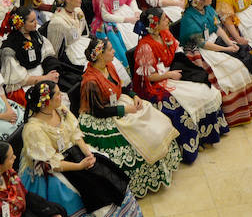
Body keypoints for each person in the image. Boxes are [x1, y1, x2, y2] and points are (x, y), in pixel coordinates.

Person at [18, 80, 141, 217]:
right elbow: (50, 163)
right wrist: (80, 166)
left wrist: (88, 154)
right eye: (57, 94)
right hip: (53, 169)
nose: (61, 96)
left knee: (105, 167)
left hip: (75, 153)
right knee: (81, 190)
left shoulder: (61, 111)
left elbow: (75, 134)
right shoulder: (33, 129)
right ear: (46, 101)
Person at [78, 33, 182, 197]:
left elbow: (122, 87)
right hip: (104, 114)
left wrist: (134, 96)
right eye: (111, 50)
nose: (114, 53)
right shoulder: (90, 81)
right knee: (140, 132)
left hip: (118, 102)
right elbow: (98, 110)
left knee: (151, 115)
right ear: (100, 55)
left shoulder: (109, 66)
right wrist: (124, 110)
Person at [133, 8, 227, 164]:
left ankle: (206, 135)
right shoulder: (145, 47)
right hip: (157, 83)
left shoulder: (165, 34)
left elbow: (177, 53)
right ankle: (193, 144)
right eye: (164, 19)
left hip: (172, 73)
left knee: (207, 91)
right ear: (155, 24)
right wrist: (169, 75)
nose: (168, 20)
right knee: (185, 106)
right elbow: (148, 76)